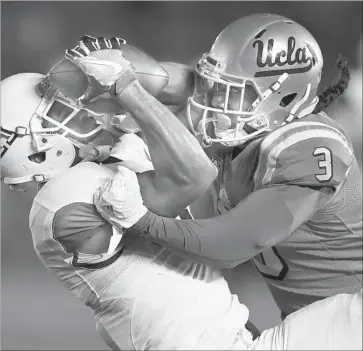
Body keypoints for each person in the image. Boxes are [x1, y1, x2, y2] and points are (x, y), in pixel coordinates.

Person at [87, 14, 362, 321]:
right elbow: (181, 82)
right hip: (313, 322)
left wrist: (141, 220)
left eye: (231, 93)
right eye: (215, 88)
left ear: (283, 96)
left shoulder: (308, 148)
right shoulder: (248, 132)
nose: (215, 102)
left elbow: (233, 243)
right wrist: (117, 73)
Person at [0, 40, 261, 348]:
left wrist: (133, 73)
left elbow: (200, 97)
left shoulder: (101, 162)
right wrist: (128, 88)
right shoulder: (66, 197)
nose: (77, 109)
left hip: (219, 331)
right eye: (58, 111)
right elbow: (195, 175)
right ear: (35, 152)